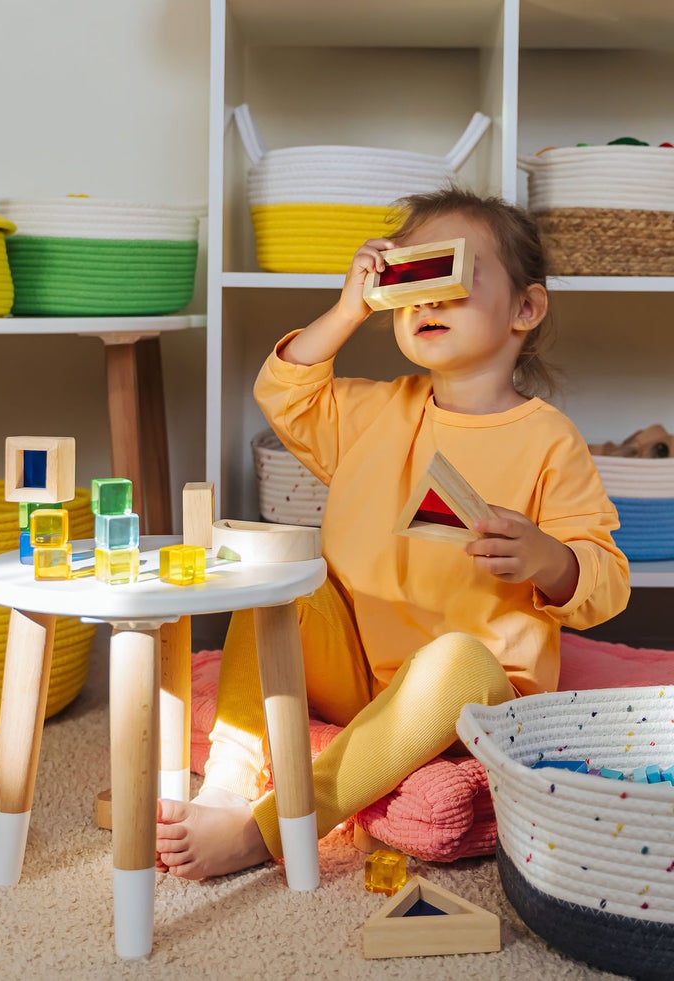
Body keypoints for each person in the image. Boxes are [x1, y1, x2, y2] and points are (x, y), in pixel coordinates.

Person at [156, 186, 630, 879]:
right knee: (274, 587)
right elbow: (284, 390)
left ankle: (275, 824)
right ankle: (227, 786)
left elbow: (606, 579)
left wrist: (548, 558)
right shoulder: (372, 411)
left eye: (452, 281)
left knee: (456, 658)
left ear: (524, 309)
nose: (428, 304)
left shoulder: (550, 442)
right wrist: (349, 305)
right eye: (410, 286)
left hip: (472, 694)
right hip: (357, 670)